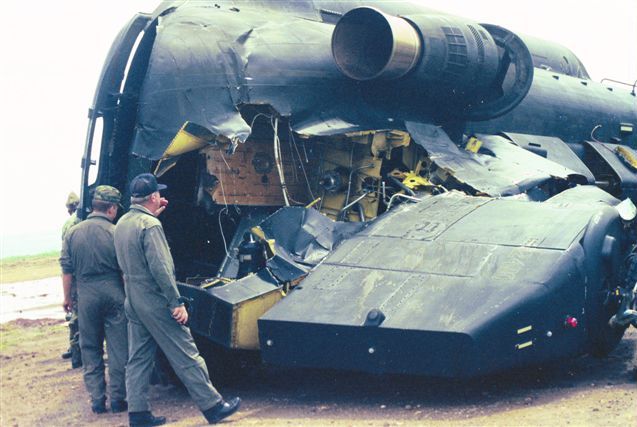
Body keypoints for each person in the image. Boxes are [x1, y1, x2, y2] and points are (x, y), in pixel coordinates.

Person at [114, 173, 240, 427]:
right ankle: (213, 406)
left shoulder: (124, 223)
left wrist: (153, 215)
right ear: (152, 197)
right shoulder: (150, 226)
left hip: (133, 299)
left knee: (138, 358)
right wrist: (176, 302)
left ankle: (138, 414)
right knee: (186, 353)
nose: (161, 196)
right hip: (155, 299)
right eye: (158, 193)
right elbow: (161, 268)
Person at [60, 186, 129, 414]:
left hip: (86, 295)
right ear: (111, 208)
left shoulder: (73, 233)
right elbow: (123, 270)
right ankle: (119, 399)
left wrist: (67, 298)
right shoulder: (115, 231)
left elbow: (67, 269)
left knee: (90, 348)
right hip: (114, 293)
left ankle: (97, 401)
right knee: (119, 349)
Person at [61, 191, 82, 368]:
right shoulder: (85, 218)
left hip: (75, 277)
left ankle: (76, 354)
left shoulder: (68, 224)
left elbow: (66, 258)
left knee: (76, 316)